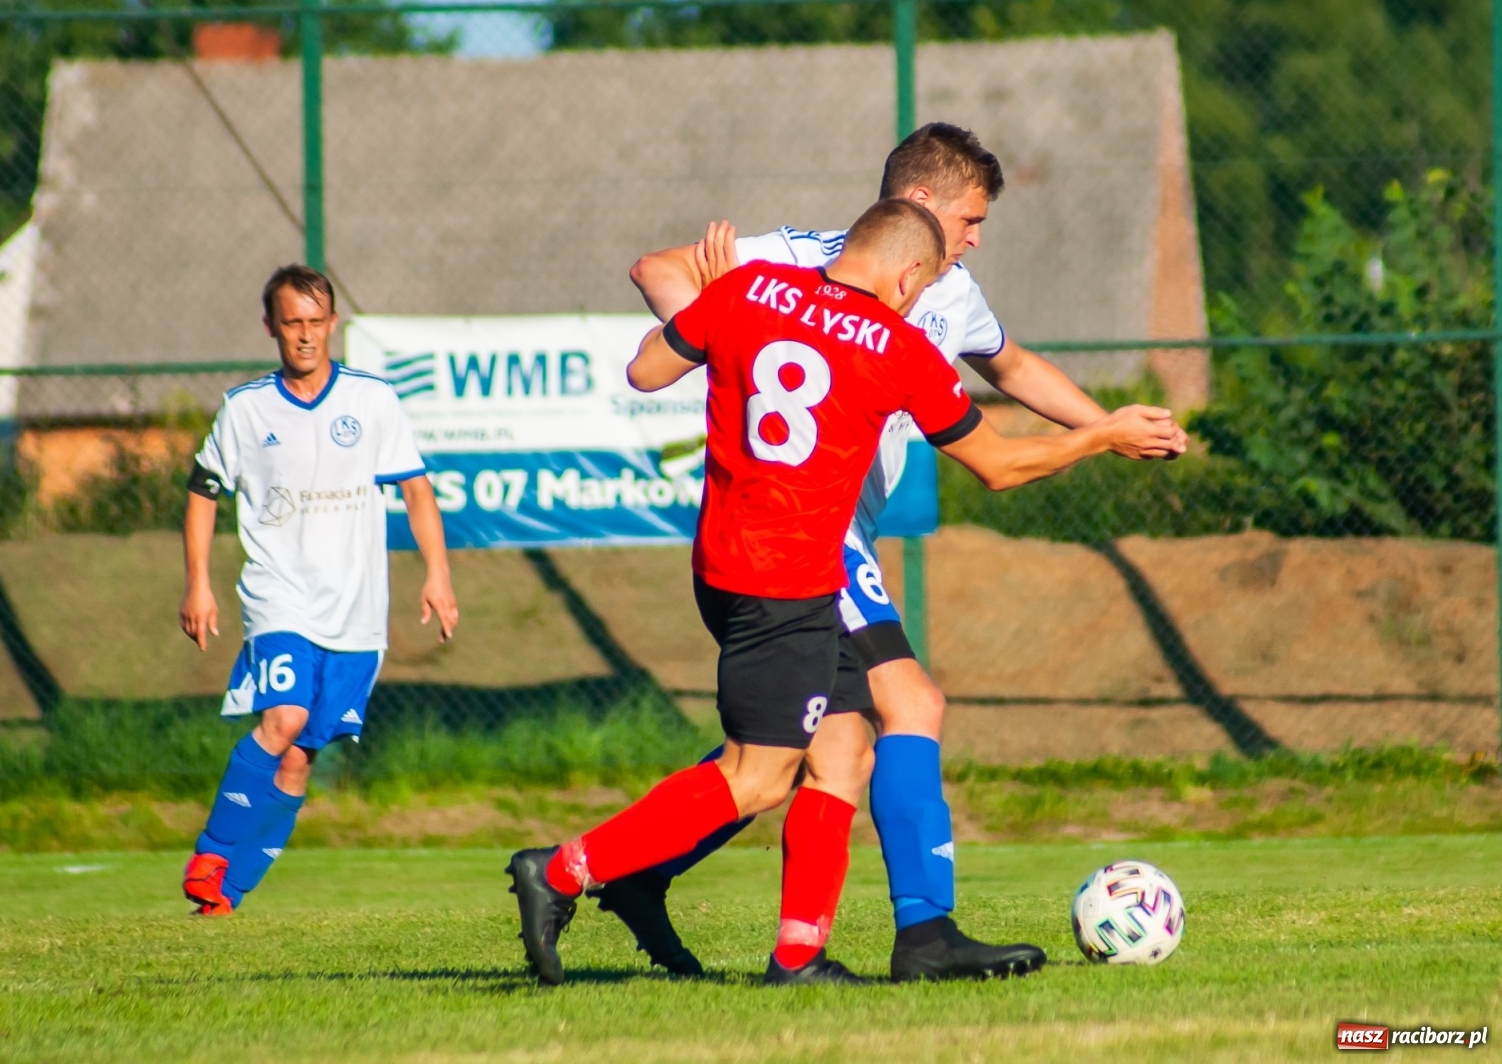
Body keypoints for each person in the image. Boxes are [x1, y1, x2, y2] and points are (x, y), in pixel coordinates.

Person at [505, 200, 1182, 985]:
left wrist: (721, 312)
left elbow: (646, 369)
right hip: (787, 581)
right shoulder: (898, 345)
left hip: (724, 563)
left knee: (843, 748)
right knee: (757, 774)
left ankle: (799, 957)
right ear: (906, 277)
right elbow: (999, 466)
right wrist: (1102, 434)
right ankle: (562, 871)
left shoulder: (748, 288)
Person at [178, 264, 459, 915]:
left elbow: (416, 491)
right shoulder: (246, 409)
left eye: (315, 323)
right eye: (291, 323)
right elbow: (202, 493)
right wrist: (199, 584)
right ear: (270, 326)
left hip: (356, 611)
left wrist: (437, 575)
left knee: (299, 759)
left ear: (333, 324)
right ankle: (213, 851)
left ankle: (227, 896)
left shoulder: (371, 401)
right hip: (279, 596)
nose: (304, 336)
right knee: (285, 718)